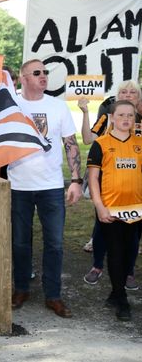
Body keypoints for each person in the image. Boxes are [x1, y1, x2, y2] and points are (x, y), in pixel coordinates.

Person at [9, 59, 83, 318]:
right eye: (37, 72)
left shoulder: (58, 106)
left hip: (51, 186)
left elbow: (71, 143)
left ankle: (53, 295)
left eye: (45, 72)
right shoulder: (11, 103)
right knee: (20, 243)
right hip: (18, 185)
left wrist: (76, 180)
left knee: (54, 243)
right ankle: (21, 288)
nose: (43, 76)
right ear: (24, 77)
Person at [78, 80, 142, 288]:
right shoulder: (108, 116)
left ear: (138, 97)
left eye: (133, 92)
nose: (128, 94)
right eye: (123, 91)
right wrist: (85, 112)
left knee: (133, 233)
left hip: (134, 187)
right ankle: (97, 266)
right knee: (102, 226)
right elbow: (88, 139)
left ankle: (129, 272)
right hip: (108, 183)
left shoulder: (138, 120)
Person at [87, 100, 142, 321]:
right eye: (121, 115)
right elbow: (93, 179)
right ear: (112, 117)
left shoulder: (140, 143)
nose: (126, 119)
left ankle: (114, 292)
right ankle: (121, 300)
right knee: (116, 253)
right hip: (111, 210)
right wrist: (100, 207)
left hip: (136, 210)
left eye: (130, 115)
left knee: (130, 253)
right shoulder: (100, 144)